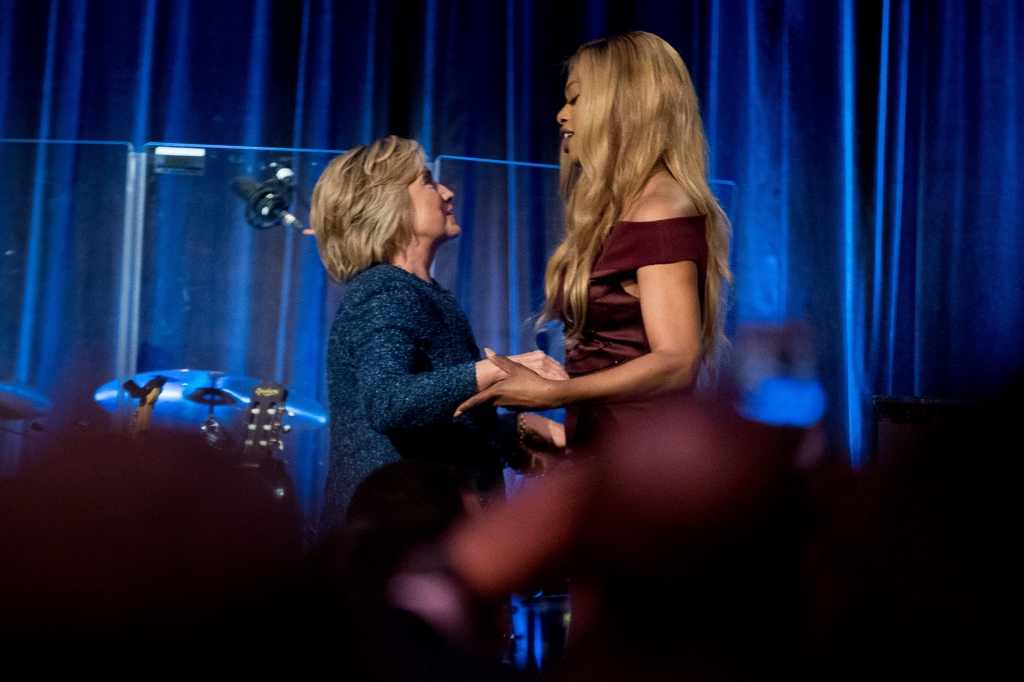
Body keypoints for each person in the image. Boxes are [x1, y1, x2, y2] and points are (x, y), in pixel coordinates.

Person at [457, 32, 732, 456]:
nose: (561, 115)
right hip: (609, 453)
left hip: (642, 464)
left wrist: (552, 393)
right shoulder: (625, 205)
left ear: (623, 105)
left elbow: (676, 359)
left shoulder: (661, 206)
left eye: (577, 99)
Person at [310, 136, 566, 536]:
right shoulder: (386, 290)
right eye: (427, 182)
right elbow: (388, 403)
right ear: (387, 204)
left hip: (420, 533)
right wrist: (499, 371)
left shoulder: (418, 291)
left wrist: (513, 437)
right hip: (394, 545)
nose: (446, 192)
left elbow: (430, 425)